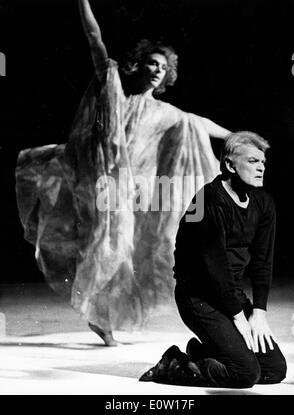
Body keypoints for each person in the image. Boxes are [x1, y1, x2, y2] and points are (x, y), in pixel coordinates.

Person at [15, 0, 230, 346]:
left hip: (134, 195)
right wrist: (83, 4)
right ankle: (100, 317)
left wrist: (236, 137)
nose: (157, 70)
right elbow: (95, 39)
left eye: (163, 66)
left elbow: (197, 123)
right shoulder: (112, 86)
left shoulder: (165, 113)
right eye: (152, 62)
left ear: (168, 74)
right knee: (107, 248)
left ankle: (103, 318)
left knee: (130, 254)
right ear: (138, 64)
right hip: (102, 187)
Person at [140, 131, 287, 388]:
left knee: (274, 370)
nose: (261, 167)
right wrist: (239, 318)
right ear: (230, 165)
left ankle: (203, 354)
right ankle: (174, 364)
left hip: (230, 295)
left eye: (263, 162)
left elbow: (262, 261)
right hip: (198, 297)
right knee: (245, 373)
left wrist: (259, 312)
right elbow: (213, 267)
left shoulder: (263, 202)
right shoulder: (206, 201)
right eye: (253, 161)